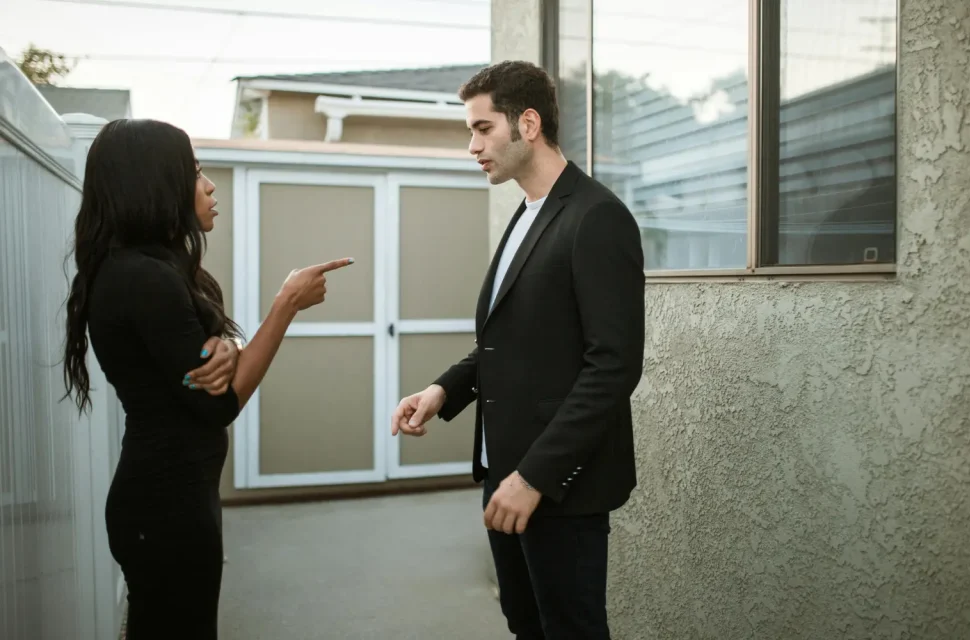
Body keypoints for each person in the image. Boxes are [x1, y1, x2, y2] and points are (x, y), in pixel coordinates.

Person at [61, 118, 353, 639]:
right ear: (156, 185)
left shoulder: (145, 269)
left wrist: (230, 345)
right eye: (195, 173)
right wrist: (285, 306)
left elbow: (214, 359)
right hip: (166, 508)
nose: (210, 185)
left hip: (171, 500)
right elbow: (220, 402)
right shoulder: (146, 279)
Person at [391, 61, 645, 639]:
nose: (472, 146)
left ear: (527, 123)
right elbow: (511, 341)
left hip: (557, 484)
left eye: (482, 129)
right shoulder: (527, 213)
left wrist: (533, 477)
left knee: (570, 631)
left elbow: (613, 367)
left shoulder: (597, 217)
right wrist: (443, 389)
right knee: (525, 624)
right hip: (503, 473)